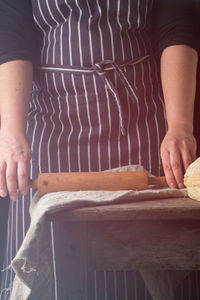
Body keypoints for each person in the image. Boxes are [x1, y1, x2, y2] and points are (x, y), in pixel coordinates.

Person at [0, 0, 199, 299]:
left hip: (142, 126)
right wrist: (11, 131)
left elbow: (176, 22)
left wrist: (180, 125)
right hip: (53, 132)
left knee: (145, 268)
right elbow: (13, 33)